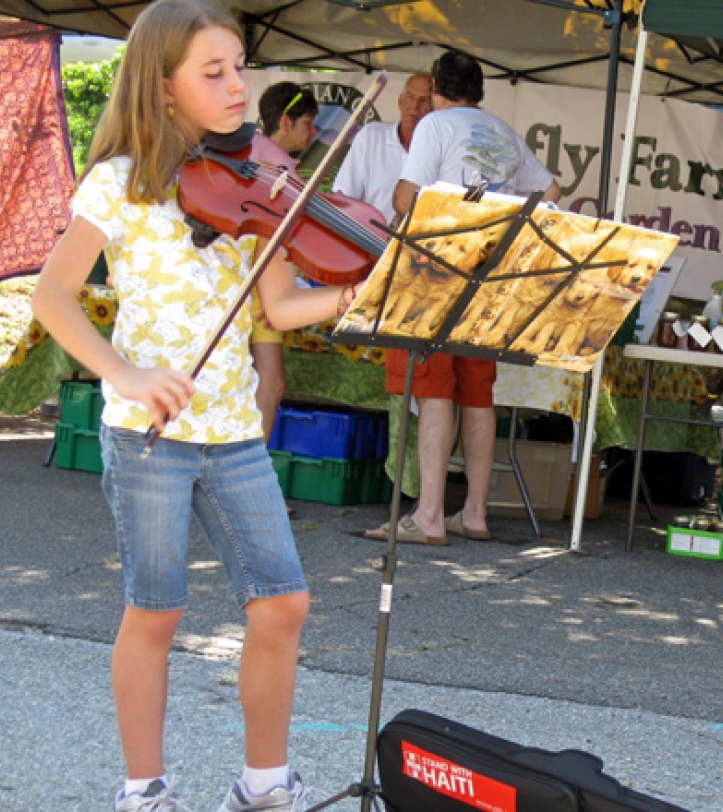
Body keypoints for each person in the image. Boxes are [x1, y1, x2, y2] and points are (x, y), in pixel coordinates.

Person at [29, 1, 360, 809]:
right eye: (213, 72)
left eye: (239, 66)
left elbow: (279, 309)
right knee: (157, 611)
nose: (237, 84)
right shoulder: (120, 184)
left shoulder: (255, 184)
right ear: (163, 87)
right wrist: (127, 373)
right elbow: (52, 297)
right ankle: (144, 789)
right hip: (151, 435)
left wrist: (363, 290)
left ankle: (263, 783)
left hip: (235, 432)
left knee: (284, 602)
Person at [365, 49, 560, 546]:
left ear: (435, 86)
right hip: (488, 273)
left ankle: (429, 515)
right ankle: (474, 512)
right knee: (476, 393)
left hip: (438, 268)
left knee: (431, 389)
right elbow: (552, 191)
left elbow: (406, 199)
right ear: (479, 89)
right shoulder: (503, 132)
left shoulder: (435, 125)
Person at [247, 82, 319, 452]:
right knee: (269, 383)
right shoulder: (271, 164)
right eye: (308, 123)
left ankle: (251, 480)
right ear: (286, 121)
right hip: (257, 284)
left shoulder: (261, 156)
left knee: (271, 383)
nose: (314, 132)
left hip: (260, 283)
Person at [332, 71, 432, 223]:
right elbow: (345, 198)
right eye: (410, 97)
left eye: (424, 100)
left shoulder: (439, 150)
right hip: (366, 238)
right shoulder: (371, 136)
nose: (415, 106)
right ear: (400, 101)